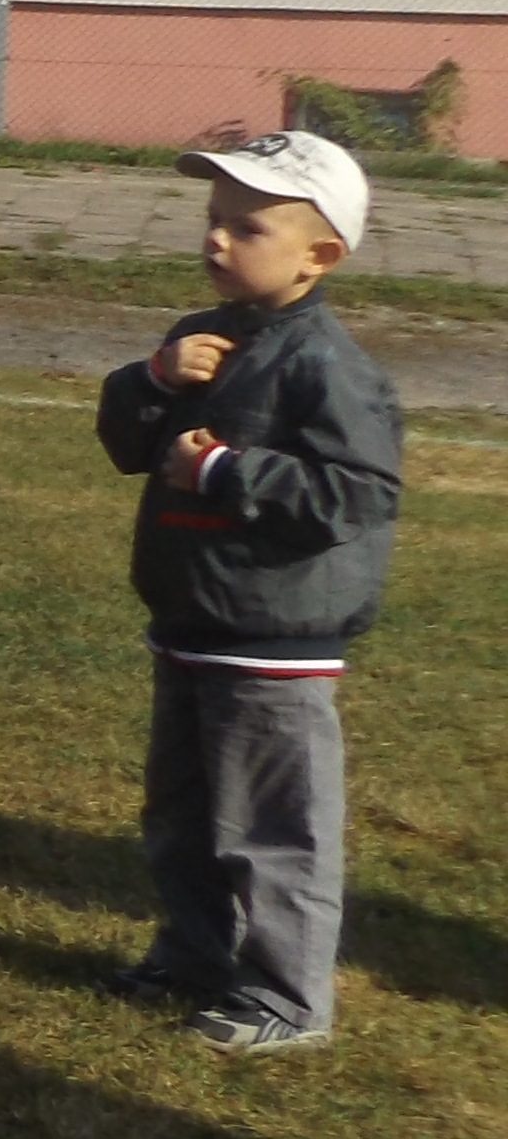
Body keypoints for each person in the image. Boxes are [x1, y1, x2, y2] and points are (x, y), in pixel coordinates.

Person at [93, 130, 403, 1056]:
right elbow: (126, 444)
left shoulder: (326, 364)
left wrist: (227, 470)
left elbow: (357, 493)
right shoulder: (203, 337)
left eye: (248, 228)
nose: (217, 239)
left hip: (275, 640)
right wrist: (152, 381)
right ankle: (194, 955)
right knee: (181, 817)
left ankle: (287, 996)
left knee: (272, 828)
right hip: (192, 620)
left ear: (320, 256)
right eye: (214, 219)